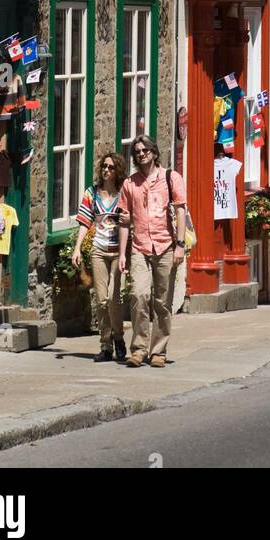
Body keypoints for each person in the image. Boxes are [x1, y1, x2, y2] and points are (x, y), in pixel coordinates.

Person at [117, 136, 186, 367]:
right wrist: (122, 254)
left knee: (162, 302)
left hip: (166, 245)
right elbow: (124, 221)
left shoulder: (171, 178)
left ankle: (158, 351)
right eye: (137, 151)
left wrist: (180, 244)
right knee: (138, 295)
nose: (141, 154)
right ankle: (138, 349)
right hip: (140, 246)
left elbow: (180, 211)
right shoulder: (130, 184)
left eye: (145, 150)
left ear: (154, 152)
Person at [74, 152, 127, 362]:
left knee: (115, 298)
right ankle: (106, 345)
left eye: (111, 167)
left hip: (117, 252)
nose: (106, 170)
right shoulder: (92, 193)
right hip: (98, 250)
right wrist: (77, 248)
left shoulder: (124, 193)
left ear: (118, 171)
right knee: (101, 300)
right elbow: (84, 221)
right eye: (104, 166)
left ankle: (119, 338)